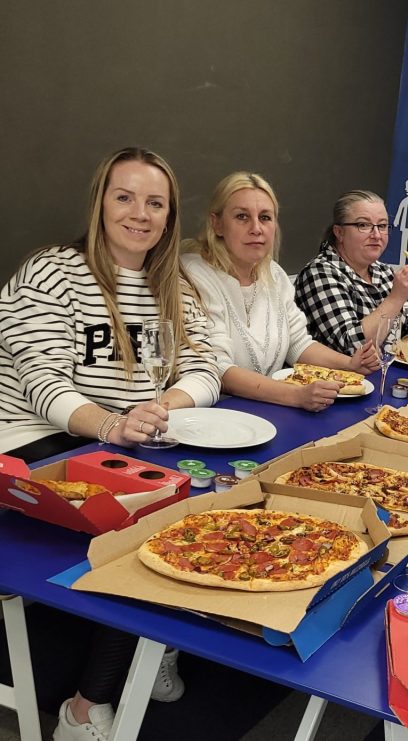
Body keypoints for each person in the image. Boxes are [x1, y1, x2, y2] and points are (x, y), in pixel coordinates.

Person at [0, 147, 219, 740]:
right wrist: (112, 426)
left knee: (214, 502)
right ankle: (83, 709)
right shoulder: (52, 271)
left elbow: (205, 365)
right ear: (101, 202)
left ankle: (154, 637)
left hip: (122, 442)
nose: (139, 214)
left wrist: (160, 408)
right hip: (32, 447)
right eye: (125, 197)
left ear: (170, 216)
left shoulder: (172, 283)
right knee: (148, 532)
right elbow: (41, 382)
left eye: (155, 203)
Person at [182, 173, 379, 412]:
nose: (256, 228)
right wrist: (295, 396)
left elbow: (299, 344)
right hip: (217, 415)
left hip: (272, 407)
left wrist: (350, 365)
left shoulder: (273, 274)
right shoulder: (194, 273)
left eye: (265, 217)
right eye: (242, 217)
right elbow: (218, 369)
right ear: (217, 224)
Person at [294, 190, 408, 356]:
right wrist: (396, 298)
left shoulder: (383, 271)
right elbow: (353, 347)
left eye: (382, 226)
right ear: (339, 232)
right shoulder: (319, 273)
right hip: (337, 379)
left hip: (384, 372)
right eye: (364, 225)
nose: (376, 235)